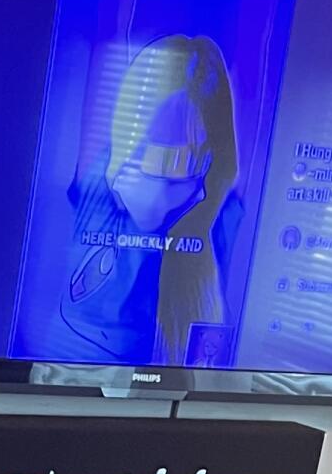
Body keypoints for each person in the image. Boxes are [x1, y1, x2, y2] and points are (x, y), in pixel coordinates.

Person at [57, 33, 243, 364]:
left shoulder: (226, 222)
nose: (166, 179)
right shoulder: (89, 194)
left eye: (188, 160)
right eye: (152, 154)